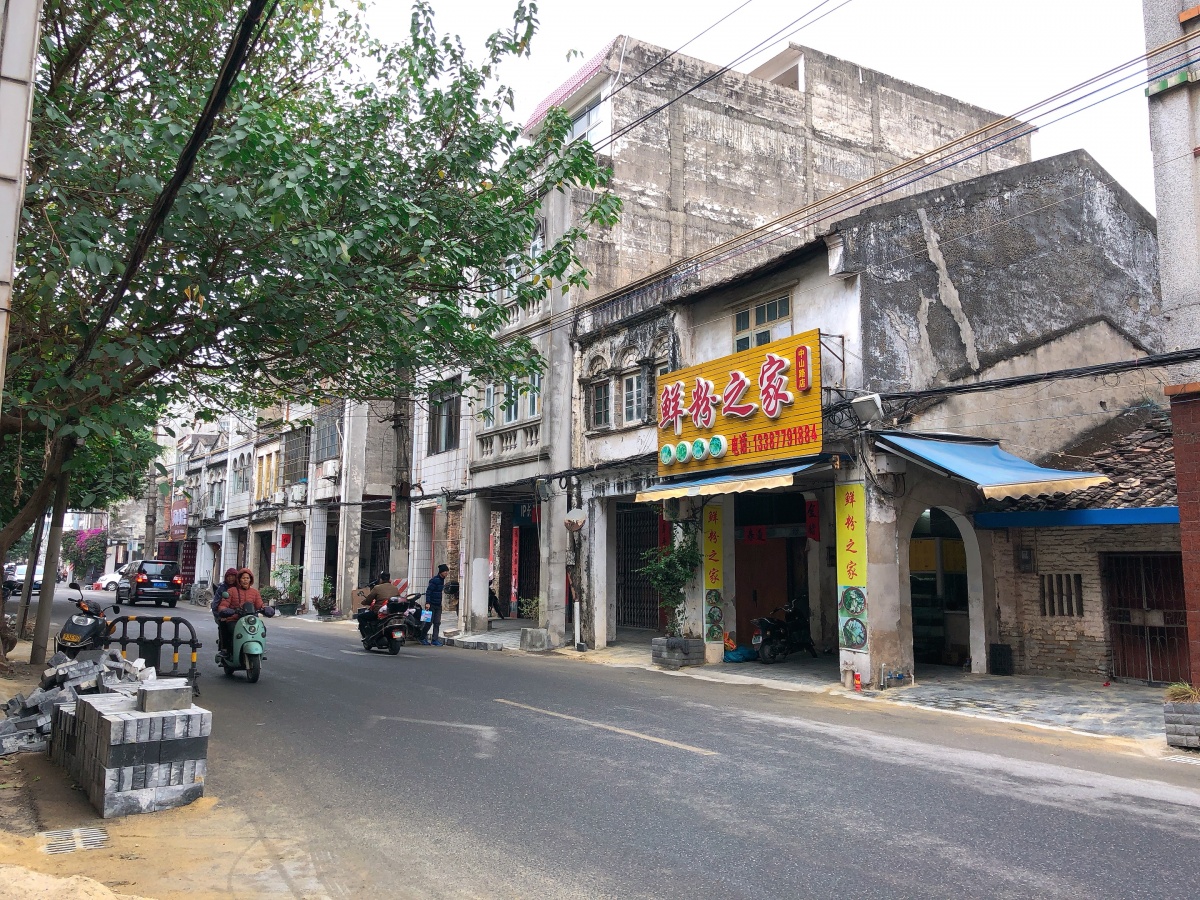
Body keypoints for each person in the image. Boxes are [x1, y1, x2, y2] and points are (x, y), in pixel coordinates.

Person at [216, 568, 273, 659]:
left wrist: (265, 609)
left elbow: (260, 605)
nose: (245, 580)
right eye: (243, 578)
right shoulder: (232, 591)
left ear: (250, 579)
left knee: (262, 628)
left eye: (247, 578)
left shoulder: (255, 592)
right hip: (234, 619)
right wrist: (227, 611)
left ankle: (261, 648)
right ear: (239, 580)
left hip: (250, 620)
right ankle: (226, 650)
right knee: (230, 629)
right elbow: (223, 605)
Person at [356, 571, 399, 639]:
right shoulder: (395, 588)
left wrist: (364, 602)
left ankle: (368, 634)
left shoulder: (377, 588)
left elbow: (368, 600)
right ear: (389, 579)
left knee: (360, 617)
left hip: (379, 612)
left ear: (381, 579)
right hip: (392, 612)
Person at [212, 568, 240, 654]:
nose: (230, 578)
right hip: (222, 614)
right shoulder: (222, 588)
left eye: (233, 576)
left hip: (238, 614)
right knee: (223, 625)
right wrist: (220, 616)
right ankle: (224, 648)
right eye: (228, 576)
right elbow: (215, 605)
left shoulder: (240, 587)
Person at [423, 564, 448, 646]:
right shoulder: (435, 580)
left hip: (438, 605)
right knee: (428, 622)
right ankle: (422, 637)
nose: (446, 573)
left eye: (447, 571)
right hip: (431, 604)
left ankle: (435, 639)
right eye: (445, 571)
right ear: (441, 572)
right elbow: (428, 592)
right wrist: (427, 603)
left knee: (437, 622)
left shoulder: (442, 580)